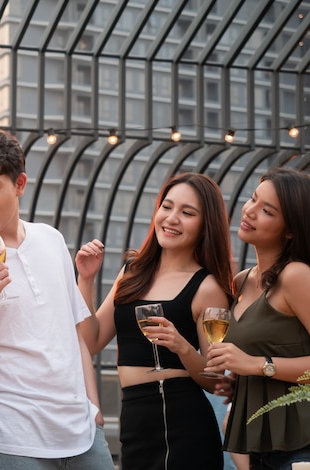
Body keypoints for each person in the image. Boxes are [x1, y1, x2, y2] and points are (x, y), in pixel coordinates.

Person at [0, 128, 115, 470]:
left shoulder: (51, 239)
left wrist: (94, 411)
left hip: (83, 437)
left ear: (19, 184)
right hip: (9, 442)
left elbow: (74, 334)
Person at [76, 172, 234, 469]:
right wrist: (86, 280)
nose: (172, 218)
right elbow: (92, 340)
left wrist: (181, 347)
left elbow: (215, 380)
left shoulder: (208, 287)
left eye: (187, 213)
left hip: (183, 421)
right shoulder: (132, 270)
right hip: (134, 418)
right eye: (167, 206)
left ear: (204, 225)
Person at [206, 167, 310, 469]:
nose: (250, 211)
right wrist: (240, 379)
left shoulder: (296, 276)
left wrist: (257, 365)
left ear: (290, 229)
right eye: (253, 199)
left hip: (308, 447)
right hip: (261, 446)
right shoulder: (241, 281)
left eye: (267, 210)